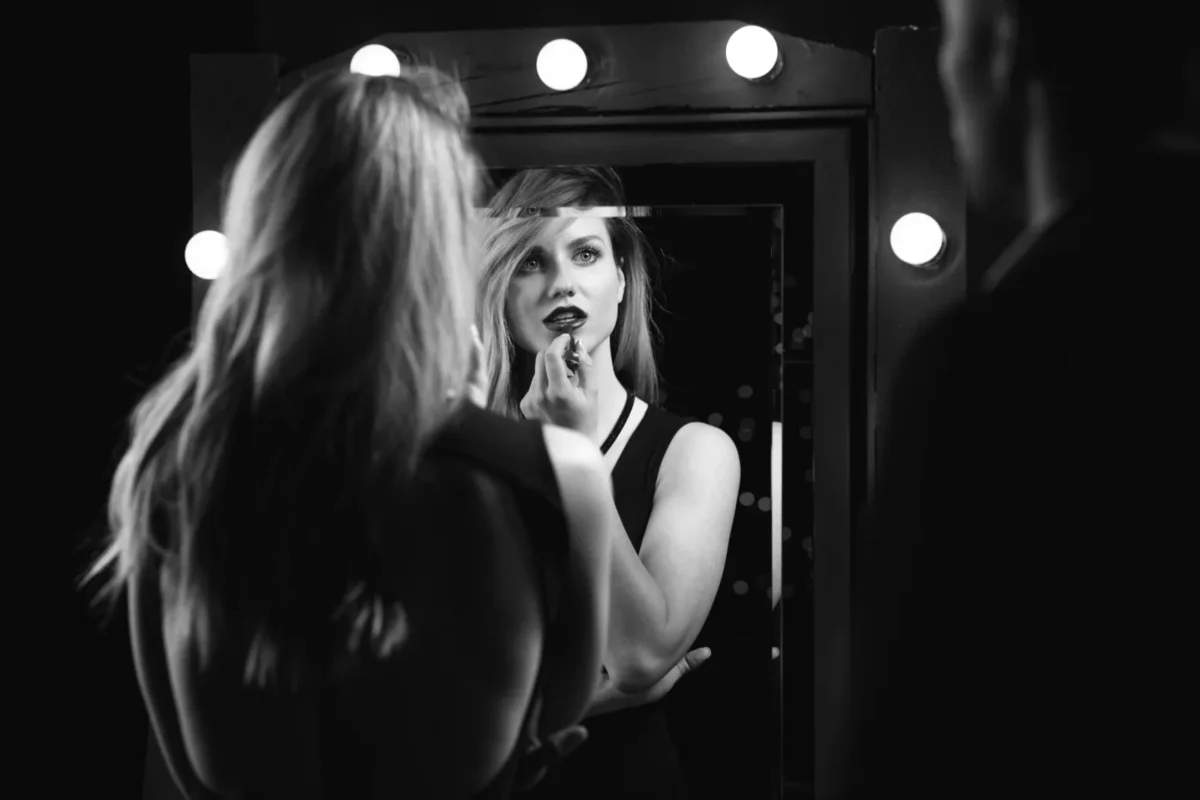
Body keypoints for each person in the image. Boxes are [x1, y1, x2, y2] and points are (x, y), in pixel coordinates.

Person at [80, 66, 629, 800]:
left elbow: (190, 771)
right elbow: (547, 721)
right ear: (436, 247)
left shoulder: (176, 466)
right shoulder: (555, 475)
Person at [841, 1, 1199, 798]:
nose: (946, 78)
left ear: (1002, 52)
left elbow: (915, 748)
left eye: (954, 41)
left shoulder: (989, 363)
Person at [476, 167, 742, 798]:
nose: (562, 282)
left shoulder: (694, 451)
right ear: (500, 290)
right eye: (530, 262)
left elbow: (641, 655)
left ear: (621, 280)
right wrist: (584, 702)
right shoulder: (458, 451)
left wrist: (574, 459)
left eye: (587, 253)